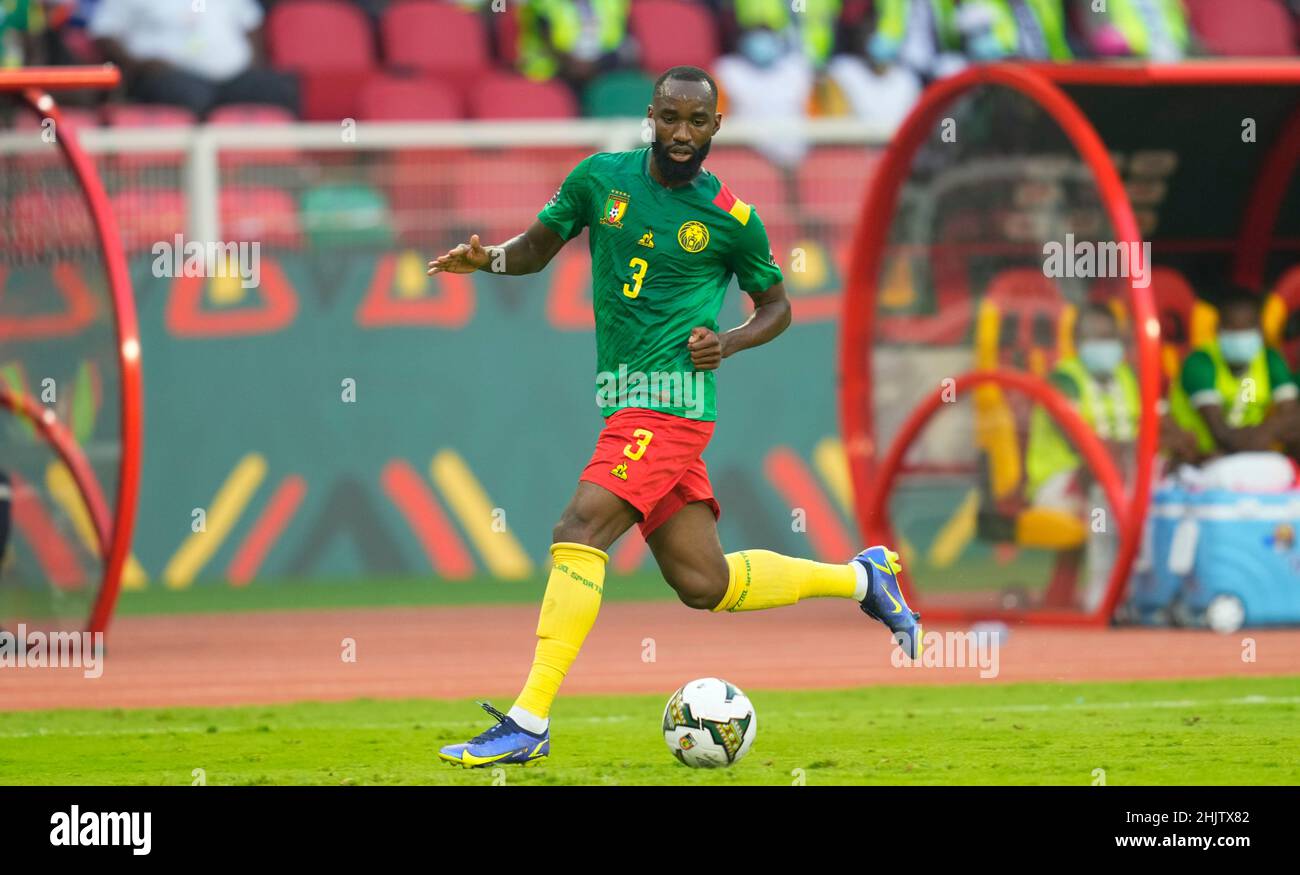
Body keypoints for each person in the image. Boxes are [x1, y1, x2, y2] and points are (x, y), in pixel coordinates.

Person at [427, 66, 920, 768]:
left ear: (717, 127)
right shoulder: (600, 178)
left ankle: (528, 719)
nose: (682, 134)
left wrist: (731, 339)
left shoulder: (733, 218)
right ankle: (864, 579)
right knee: (703, 583)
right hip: (626, 401)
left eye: (698, 121)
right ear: (650, 116)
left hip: (673, 403)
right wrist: (490, 259)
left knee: (580, 526)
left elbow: (777, 305)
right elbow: (535, 249)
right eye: (671, 118)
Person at [1024, 303, 1137, 610]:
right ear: (1077, 343)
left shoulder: (1126, 377)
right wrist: (1125, 450)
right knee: (1102, 481)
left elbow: (1148, 431)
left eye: (1110, 337)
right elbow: (1083, 444)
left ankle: (1140, 586)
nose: (1105, 346)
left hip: (1116, 475)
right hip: (1058, 486)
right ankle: (1102, 591)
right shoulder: (1063, 379)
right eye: (1095, 338)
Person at [89, 0, 298, 119]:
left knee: (279, 87)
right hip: (166, 76)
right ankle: (189, 174)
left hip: (232, 76)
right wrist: (137, 65)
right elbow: (105, 32)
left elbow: (252, 24)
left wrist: (254, 64)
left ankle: (286, 170)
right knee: (191, 95)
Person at [1169, 287, 1299, 459]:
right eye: (1232, 328)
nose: (1240, 336)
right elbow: (1222, 435)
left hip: (1253, 458)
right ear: (1217, 329)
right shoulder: (1200, 363)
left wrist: (1264, 433)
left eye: (1247, 328)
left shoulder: (1270, 360)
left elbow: (1294, 419)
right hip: (1201, 461)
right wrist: (1272, 431)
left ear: (1260, 329)